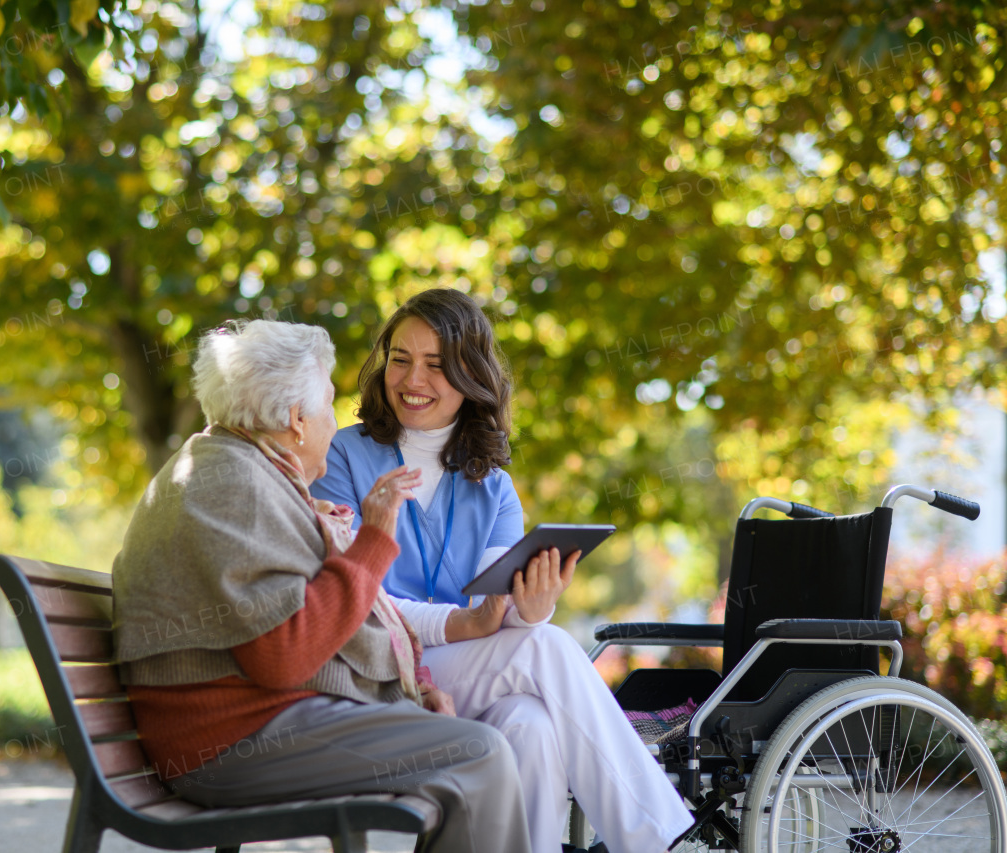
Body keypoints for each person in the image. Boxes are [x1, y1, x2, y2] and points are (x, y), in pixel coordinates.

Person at [110, 318, 531, 853]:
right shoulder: (235, 487)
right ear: (297, 421)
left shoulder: (242, 471)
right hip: (232, 743)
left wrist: (417, 685)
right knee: (478, 753)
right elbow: (284, 656)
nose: (338, 424)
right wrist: (374, 542)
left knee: (480, 749)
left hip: (256, 724)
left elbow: (314, 620)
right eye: (331, 405)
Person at [311, 289, 694, 853]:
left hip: (455, 679)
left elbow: (496, 610)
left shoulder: (492, 485)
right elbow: (358, 602)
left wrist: (530, 607)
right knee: (546, 649)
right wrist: (468, 625)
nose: (412, 378)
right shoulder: (342, 457)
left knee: (532, 724)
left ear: (470, 376)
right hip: (375, 675)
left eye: (437, 365)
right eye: (400, 358)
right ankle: (657, 840)